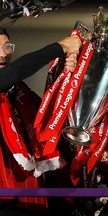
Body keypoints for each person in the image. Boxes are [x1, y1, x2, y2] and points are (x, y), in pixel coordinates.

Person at [0, 27, 81, 216]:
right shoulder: (8, 80)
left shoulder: (20, 90)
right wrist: (58, 47)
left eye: (6, 47)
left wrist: (67, 75)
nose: (3, 54)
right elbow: (16, 71)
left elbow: (50, 120)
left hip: (33, 200)